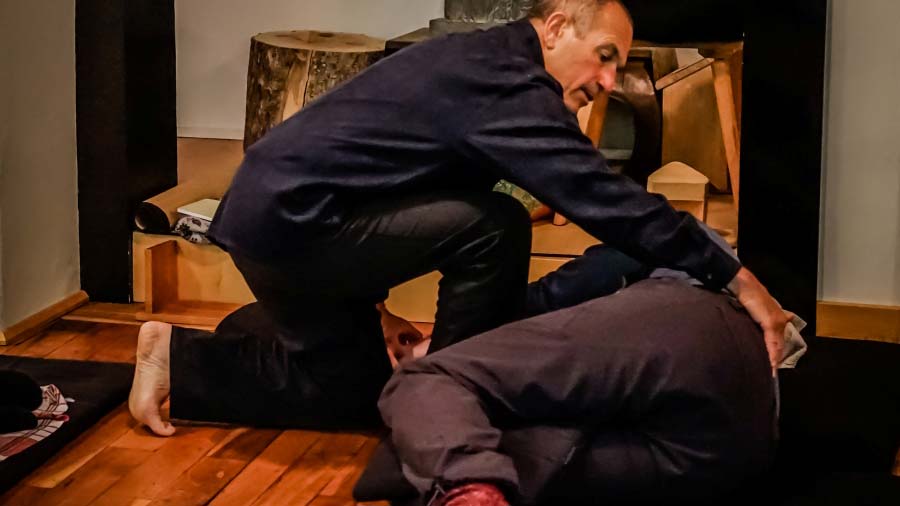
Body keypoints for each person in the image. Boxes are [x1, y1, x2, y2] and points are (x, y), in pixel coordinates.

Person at [129, 0, 788, 436]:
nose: (611, 81)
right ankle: (451, 391)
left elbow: (376, 177)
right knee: (494, 223)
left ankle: (178, 358)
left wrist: (374, 309)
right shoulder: (506, 83)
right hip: (292, 226)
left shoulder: (483, 63)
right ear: (556, 27)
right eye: (606, 55)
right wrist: (741, 280)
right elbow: (604, 200)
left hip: (277, 221)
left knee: (352, 397)